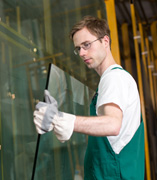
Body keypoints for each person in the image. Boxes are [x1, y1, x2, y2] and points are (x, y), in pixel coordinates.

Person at [33, 16, 145, 180]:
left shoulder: (113, 78)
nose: (82, 53)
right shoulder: (113, 79)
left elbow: (113, 124)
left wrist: (65, 120)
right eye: (78, 48)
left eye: (86, 45)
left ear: (105, 41)